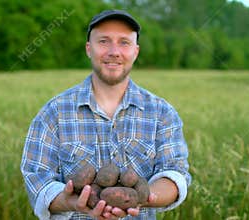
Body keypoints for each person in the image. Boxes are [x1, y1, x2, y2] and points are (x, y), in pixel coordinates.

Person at [20, 9, 191, 220]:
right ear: (88, 49)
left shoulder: (163, 113)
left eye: (124, 42)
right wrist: (73, 202)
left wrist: (144, 197)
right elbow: (37, 180)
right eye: (103, 41)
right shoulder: (53, 113)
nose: (114, 51)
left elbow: (176, 173)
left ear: (136, 51)